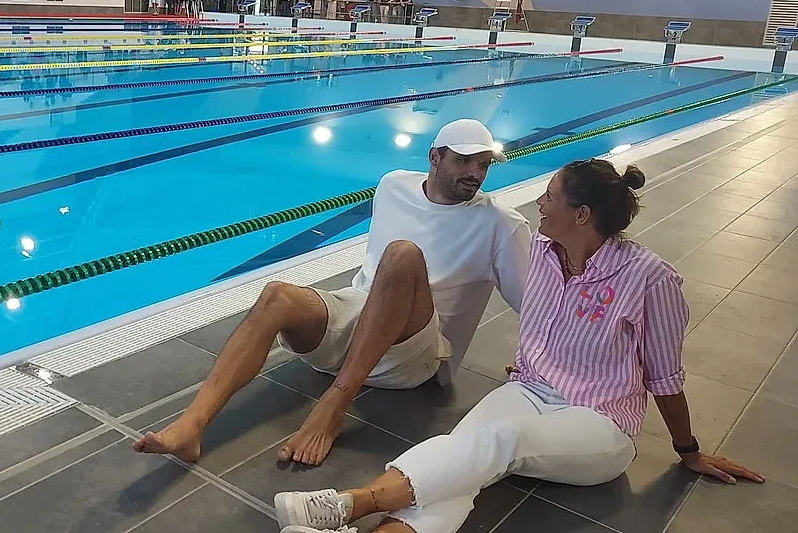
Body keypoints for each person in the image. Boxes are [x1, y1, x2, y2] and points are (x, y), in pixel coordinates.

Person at [273, 158, 764, 533]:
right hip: (531, 388)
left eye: (550, 197)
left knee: (497, 443)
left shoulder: (650, 280)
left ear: (583, 214)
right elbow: (547, 320)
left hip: (601, 421)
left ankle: (348, 504)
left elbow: (664, 378)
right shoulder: (546, 253)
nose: (539, 204)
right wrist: (535, 360)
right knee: (462, 457)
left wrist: (689, 450)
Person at [133, 119, 530, 466]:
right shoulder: (393, 186)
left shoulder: (500, 223)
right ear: (434, 157)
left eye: (483, 164)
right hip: (359, 320)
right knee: (277, 295)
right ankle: (191, 426)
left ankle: (333, 406)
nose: (475, 173)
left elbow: (533, 304)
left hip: (417, 355)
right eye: (464, 160)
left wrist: (536, 366)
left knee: (402, 255)